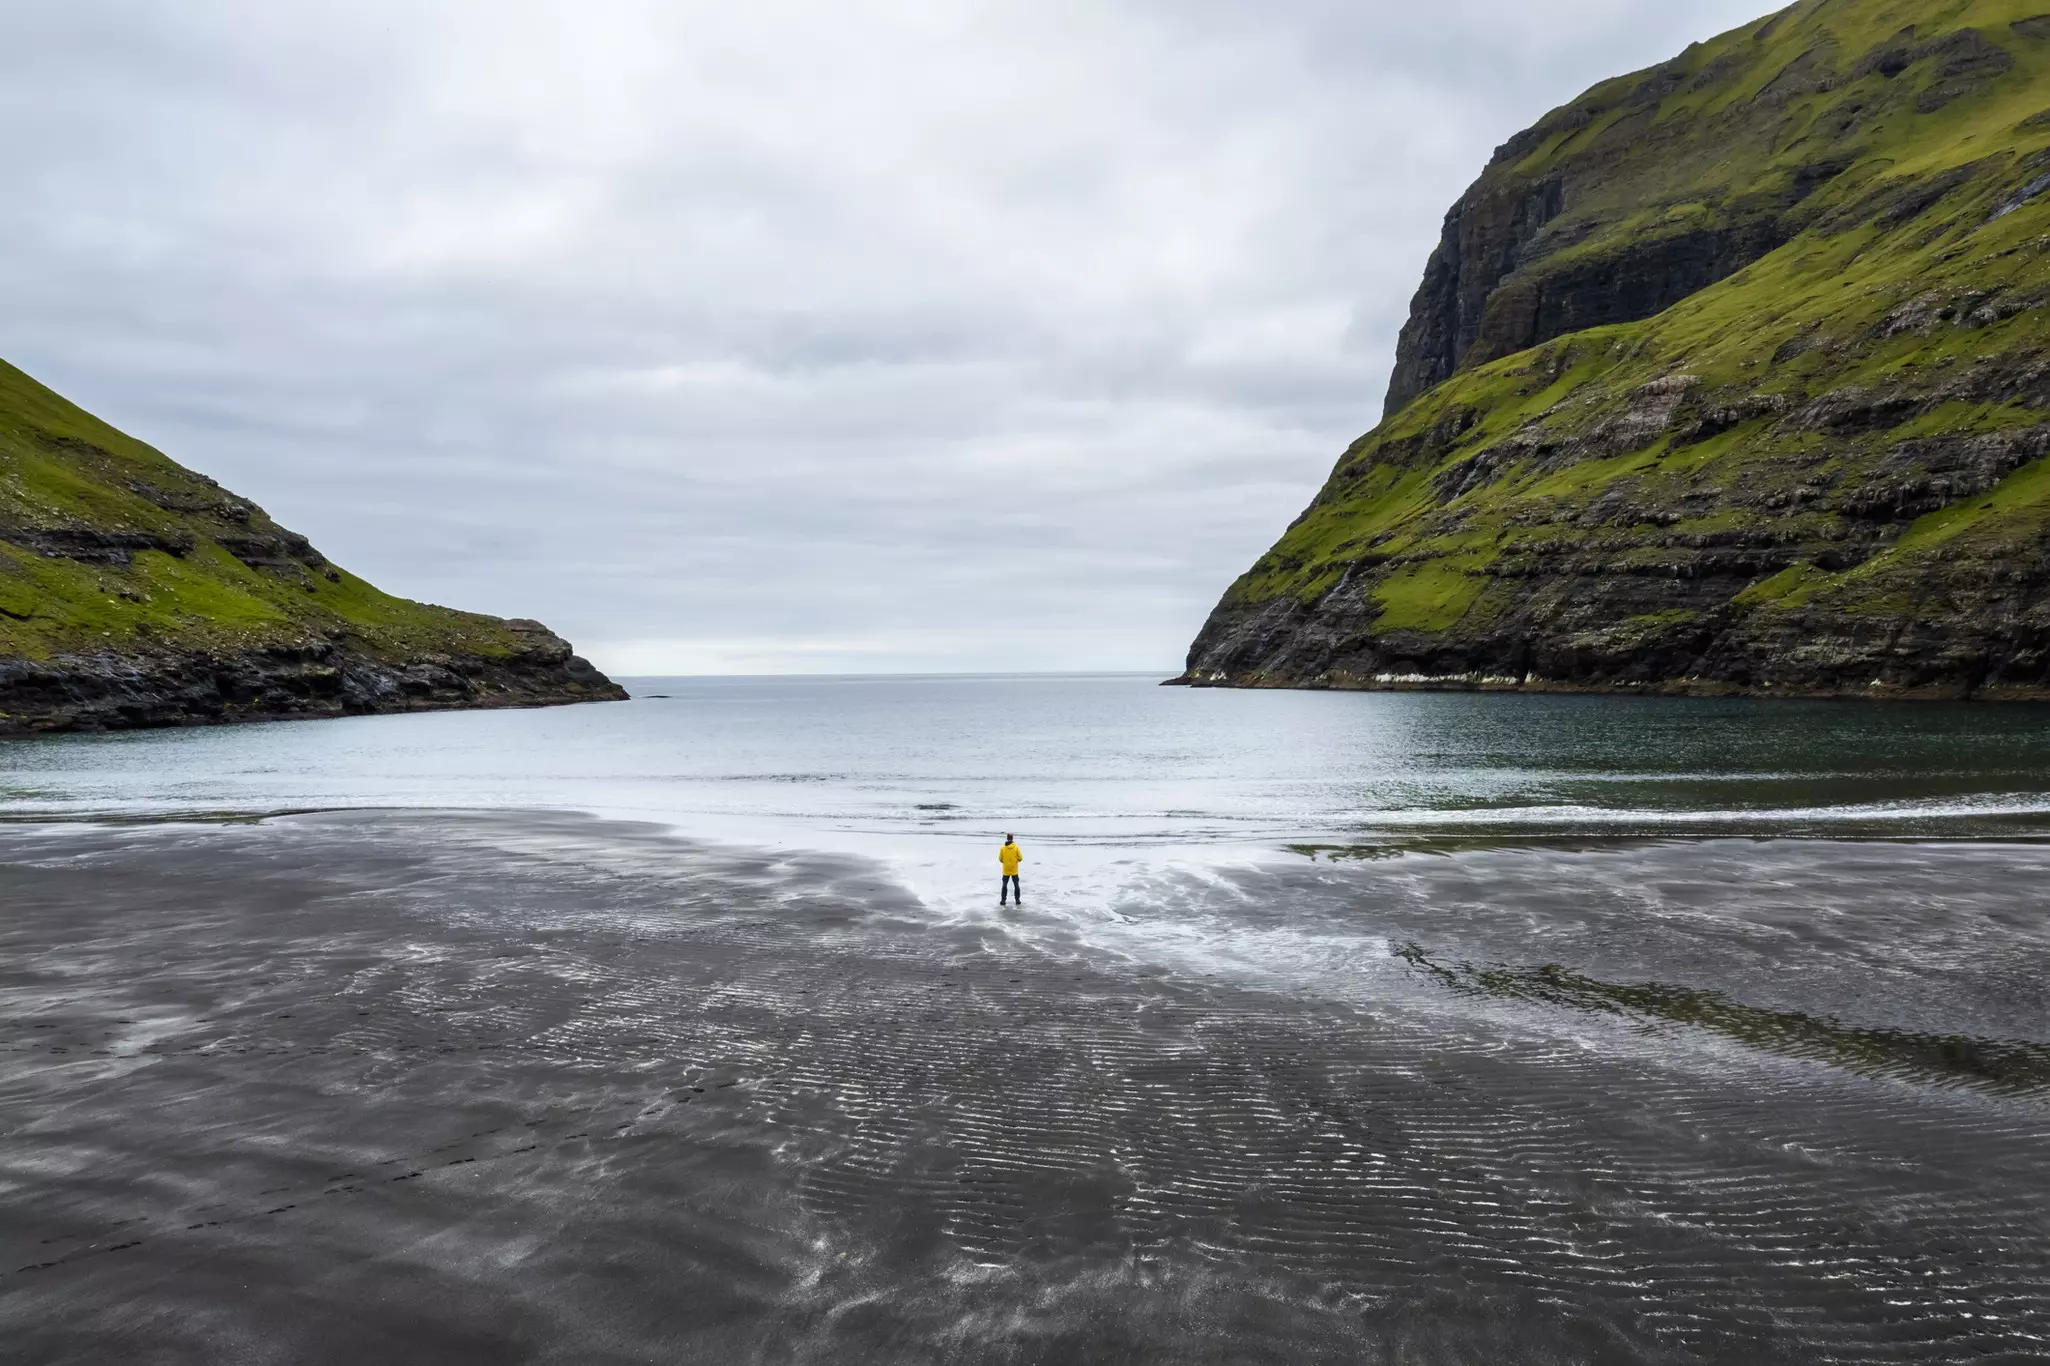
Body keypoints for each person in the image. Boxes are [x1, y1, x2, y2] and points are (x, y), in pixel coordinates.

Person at [999, 833, 1023, 905]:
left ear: (1007, 838)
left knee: (1004, 885)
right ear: (1012, 838)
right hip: (1014, 870)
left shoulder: (1003, 848)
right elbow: (1020, 858)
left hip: (1006, 870)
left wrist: (1006, 862)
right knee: (1016, 885)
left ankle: (1003, 901)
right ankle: (1017, 900)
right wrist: (1015, 861)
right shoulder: (1016, 847)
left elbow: (1000, 859)